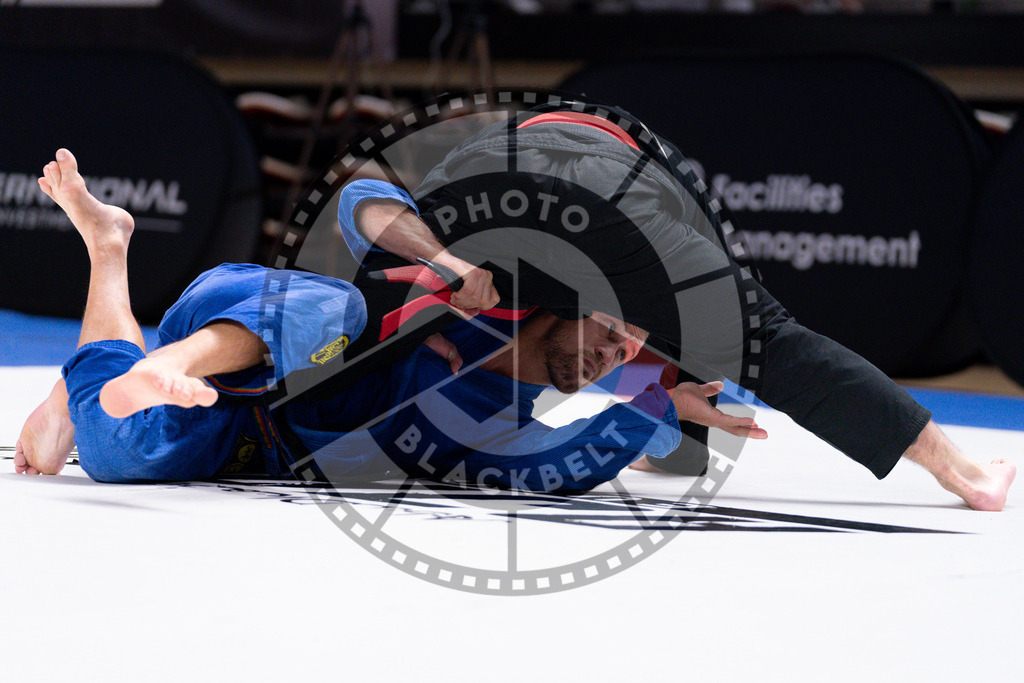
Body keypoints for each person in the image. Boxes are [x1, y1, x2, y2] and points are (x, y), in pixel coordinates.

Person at [333, 102, 1016, 511]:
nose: (609, 356)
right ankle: (962, 467)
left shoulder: (485, 272)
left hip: (518, 173)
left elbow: (362, 200)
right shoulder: (605, 290)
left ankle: (961, 466)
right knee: (757, 344)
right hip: (546, 175)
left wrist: (444, 261)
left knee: (356, 315)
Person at [14, 149, 764, 491]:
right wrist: (443, 261)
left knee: (129, 455)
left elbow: (545, 465)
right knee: (338, 310)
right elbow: (361, 202)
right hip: (254, 315)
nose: (612, 351)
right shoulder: (493, 285)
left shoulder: (501, 423)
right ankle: (168, 362)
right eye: (609, 328)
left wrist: (661, 404)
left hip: (253, 430)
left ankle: (107, 257)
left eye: (628, 350)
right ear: (568, 302)